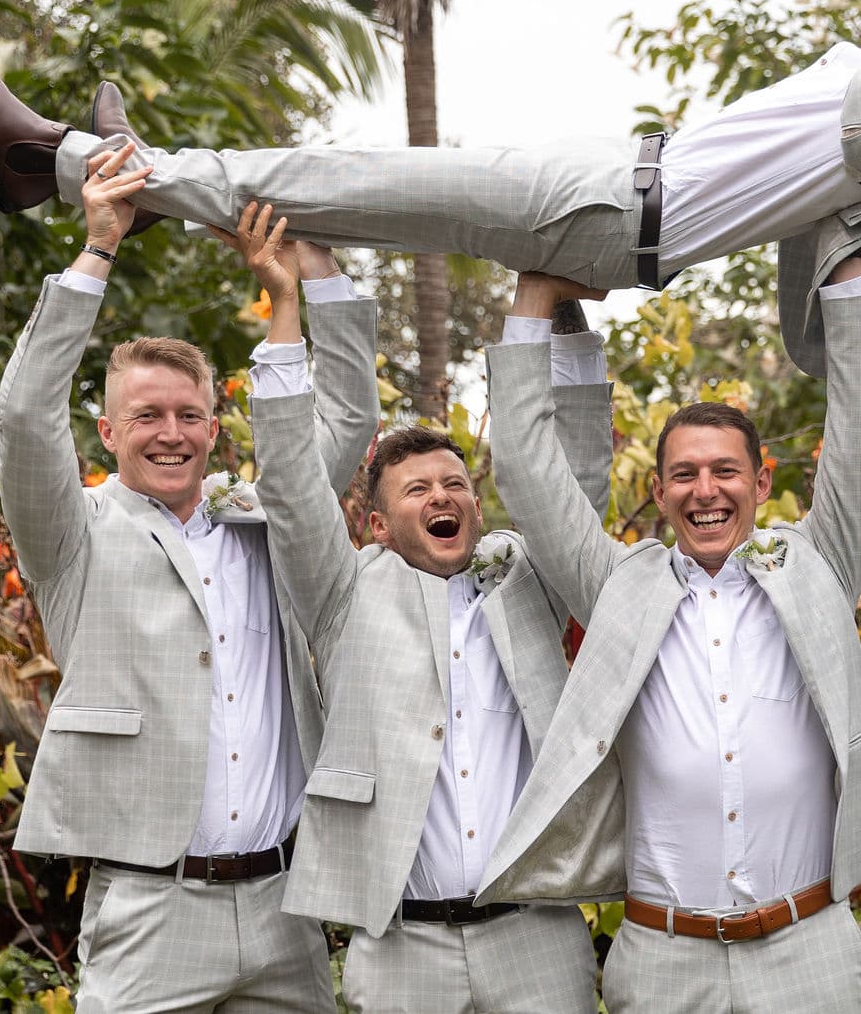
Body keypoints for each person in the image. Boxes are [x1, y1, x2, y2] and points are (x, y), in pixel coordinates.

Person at [0, 0, 861, 374]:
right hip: (609, 186)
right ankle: (149, 184)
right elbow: (803, 335)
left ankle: (50, 159)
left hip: (608, 211)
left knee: (341, 179)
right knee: (342, 180)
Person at [0, 145, 377, 1013]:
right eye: (147, 415)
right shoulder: (73, 534)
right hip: (150, 908)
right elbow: (22, 414)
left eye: (189, 414)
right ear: (105, 431)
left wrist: (308, 271)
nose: (170, 433)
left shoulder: (268, 515)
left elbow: (351, 415)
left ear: (214, 425)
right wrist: (98, 247)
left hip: (287, 908)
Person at [470, 259, 861, 1013]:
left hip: (810, 950)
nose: (707, 490)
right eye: (686, 474)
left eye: (726, 471)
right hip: (664, 960)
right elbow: (530, 471)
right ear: (660, 491)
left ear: (761, 483)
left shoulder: (818, 564)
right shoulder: (617, 586)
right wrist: (535, 300)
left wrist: (848, 270)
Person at [234, 201, 618, 1013]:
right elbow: (294, 490)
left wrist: (569, 327)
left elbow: (576, 484)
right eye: (418, 489)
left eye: (456, 485)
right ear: (375, 524)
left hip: (538, 938)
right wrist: (297, 297)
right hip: (400, 944)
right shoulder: (342, 591)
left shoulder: (526, 580)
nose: (444, 496)